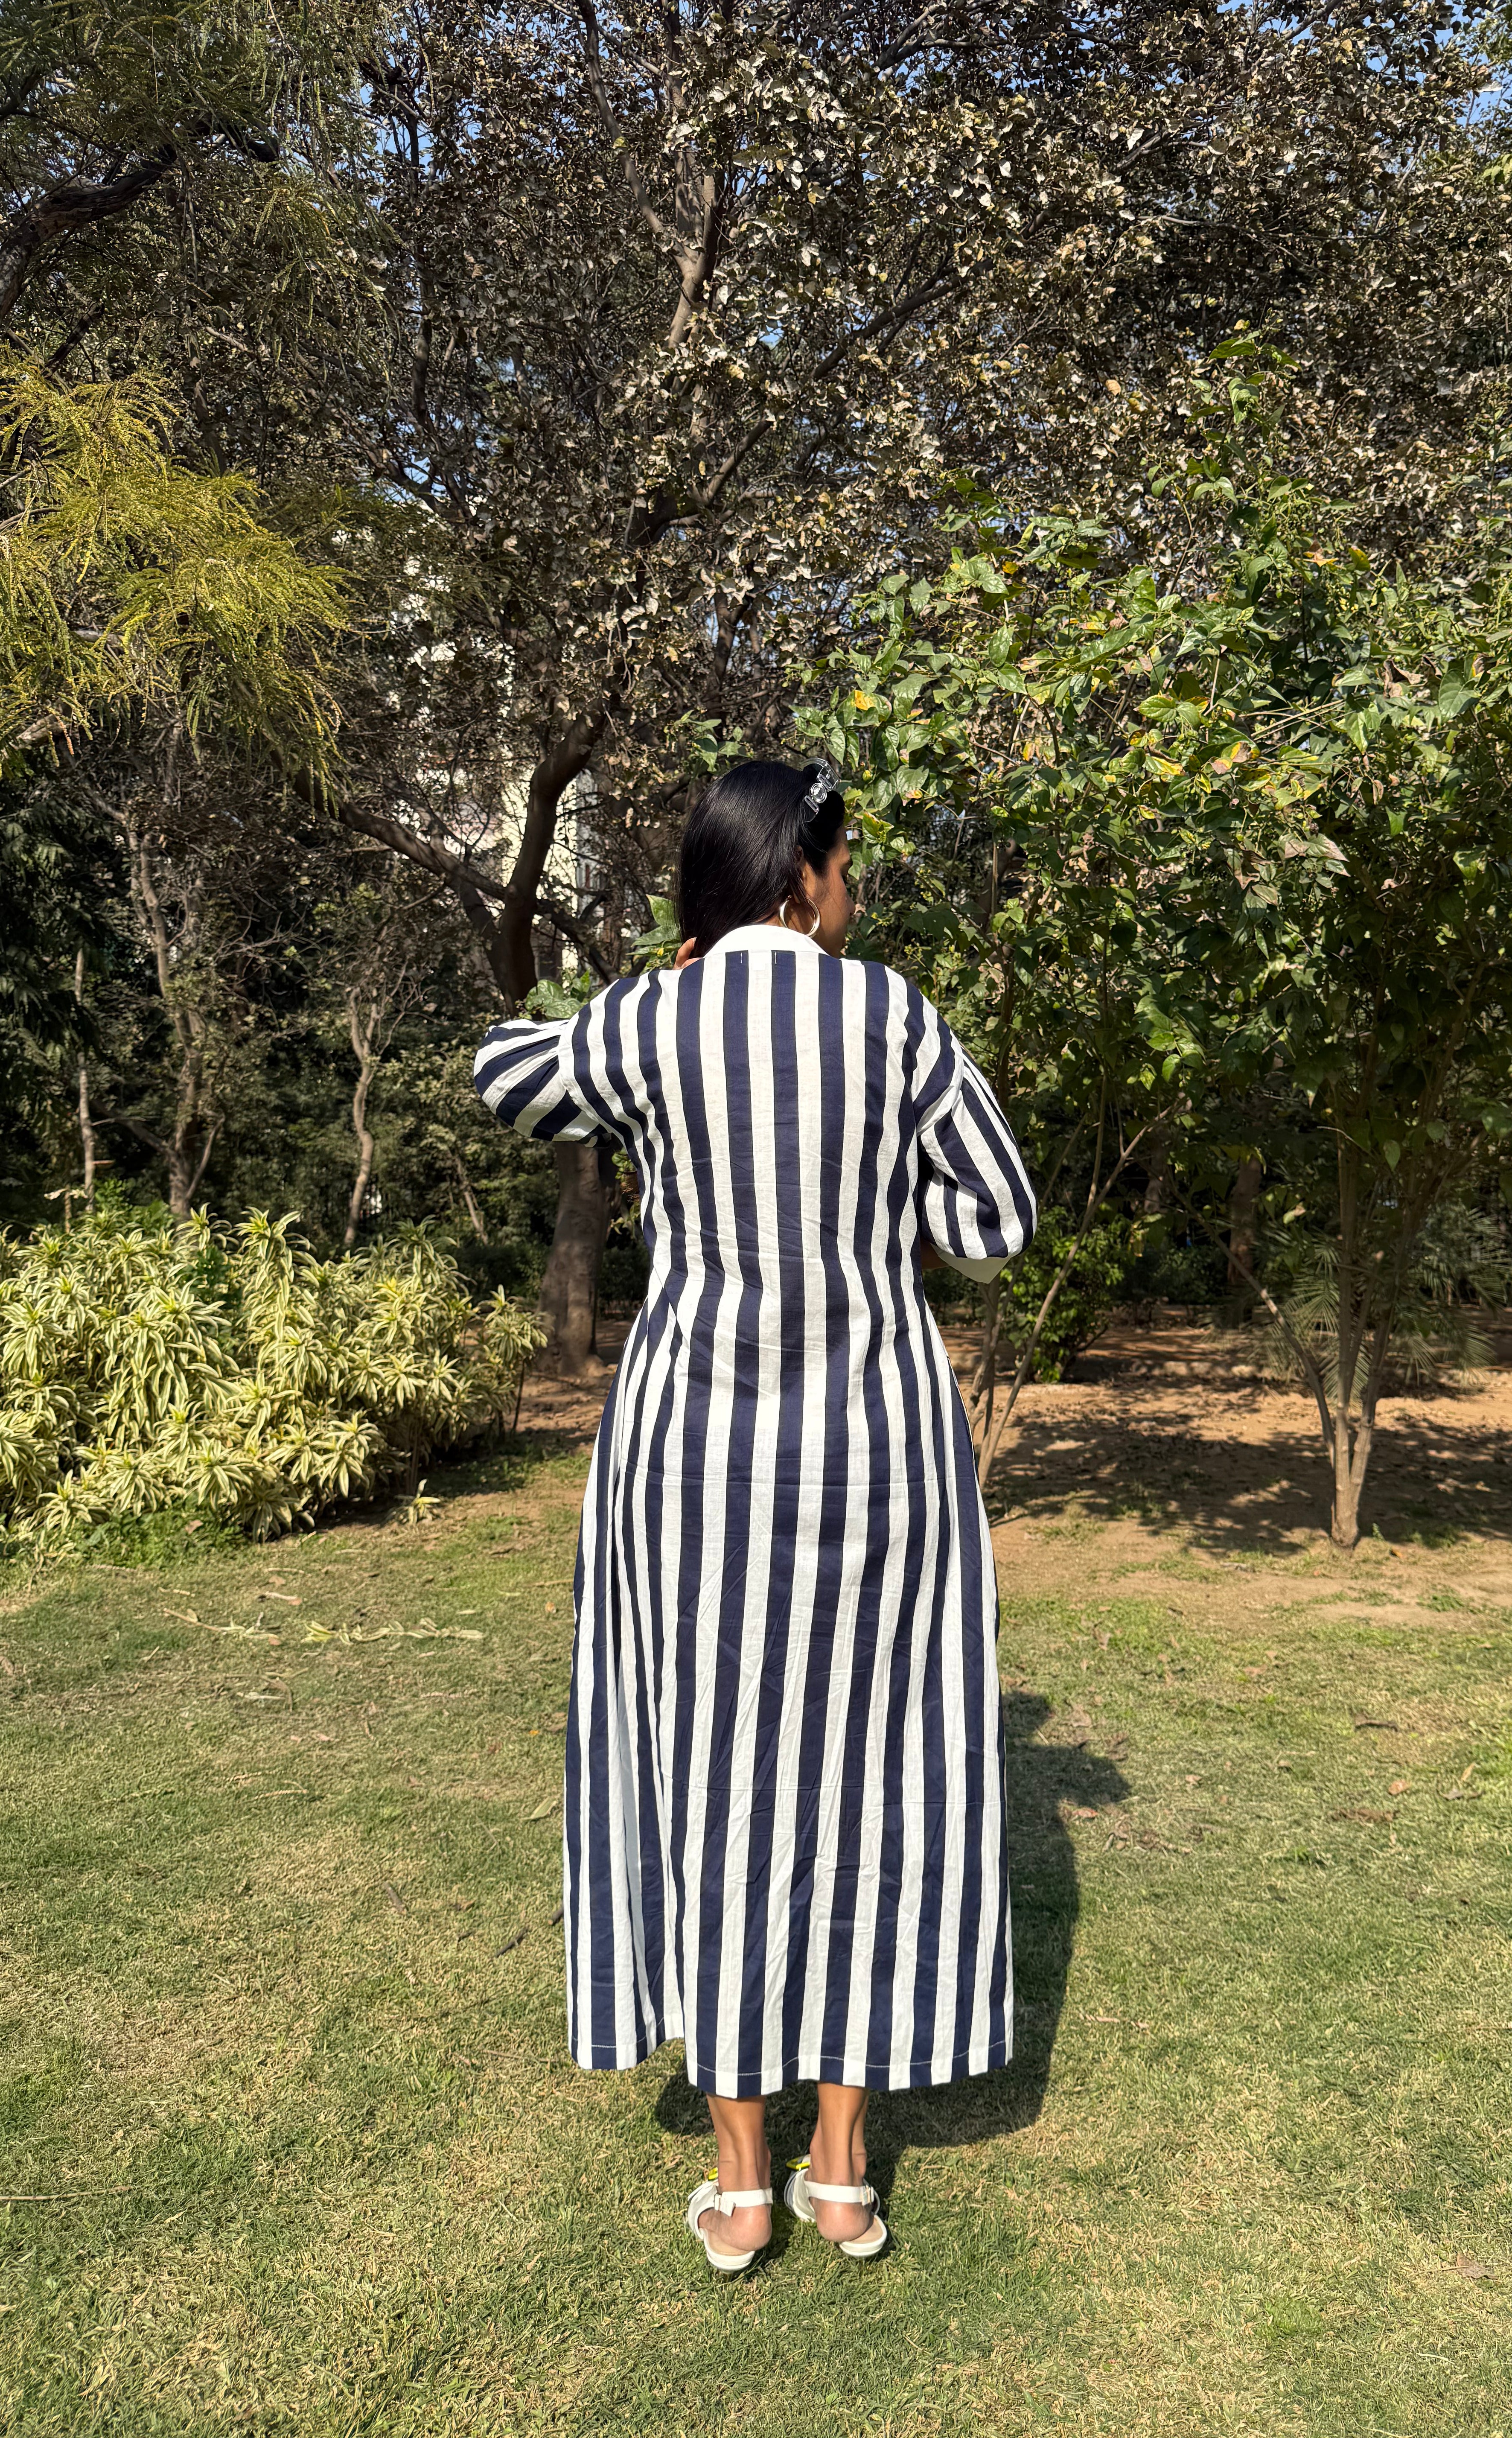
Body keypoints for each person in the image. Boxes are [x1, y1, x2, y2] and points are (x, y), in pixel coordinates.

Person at [473, 759, 1036, 2273]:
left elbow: (500, 1077)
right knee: (879, 1775)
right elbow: (994, 1223)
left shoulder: (651, 1022)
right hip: (876, 1455)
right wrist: (862, 1202)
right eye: (843, 867)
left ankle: (737, 2174)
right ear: (803, 875)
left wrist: (650, 1019)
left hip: (689, 1464)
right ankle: (842, 2168)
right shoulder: (892, 1015)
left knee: (703, 1771)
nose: (852, 893)